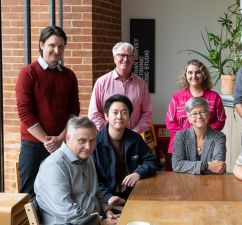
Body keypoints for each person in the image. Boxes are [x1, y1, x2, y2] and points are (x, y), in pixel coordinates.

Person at [15, 25, 80, 196]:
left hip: (62, 144)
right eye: (52, 45)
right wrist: (48, 141)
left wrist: (60, 139)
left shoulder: (69, 76)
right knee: (29, 196)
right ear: (42, 45)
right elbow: (24, 112)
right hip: (34, 146)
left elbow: (74, 112)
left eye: (60, 46)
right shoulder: (28, 73)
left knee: (60, 192)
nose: (56, 50)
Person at [34, 117, 118, 225]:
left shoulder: (87, 158)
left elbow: (95, 190)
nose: (88, 147)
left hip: (94, 219)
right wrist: (100, 222)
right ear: (68, 138)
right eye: (82, 141)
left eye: (92, 140)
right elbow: (65, 210)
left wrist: (107, 209)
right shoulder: (54, 166)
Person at [92, 94, 157, 206]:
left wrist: (138, 173)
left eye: (124, 112)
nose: (120, 116)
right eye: (115, 112)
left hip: (131, 195)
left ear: (129, 116)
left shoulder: (135, 138)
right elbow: (92, 178)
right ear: (106, 116)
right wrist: (108, 197)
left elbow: (151, 160)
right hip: (104, 200)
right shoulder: (95, 143)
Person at [166, 59, 226, 160]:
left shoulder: (214, 97)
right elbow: (170, 123)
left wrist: (203, 134)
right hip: (180, 148)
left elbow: (220, 121)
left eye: (198, 72)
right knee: (180, 175)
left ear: (204, 75)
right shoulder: (177, 98)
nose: (194, 76)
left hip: (207, 147)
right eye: (190, 72)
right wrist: (188, 136)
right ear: (185, 75)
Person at [88, 42, 152, 133]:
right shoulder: (101, 83)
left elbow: (147, 114)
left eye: (129, 56)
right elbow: (93, 114)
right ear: (114, 58)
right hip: (107, 140)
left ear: (133, 60)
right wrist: (110, 132)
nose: (126, 59)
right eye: (121, 55)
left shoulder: (141, 84)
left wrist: (135, 133)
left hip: (133, 139)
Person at [172, 97, 226, 174]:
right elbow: (176, 165)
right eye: (194, 113)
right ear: (189, 118)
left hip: (212, 182)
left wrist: (188, 167)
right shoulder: (181, 136)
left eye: (203, 112)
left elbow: (218, 167)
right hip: (186, 182)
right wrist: (207, 166)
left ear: (208, 115)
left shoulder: (219, 137)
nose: (199, 116)